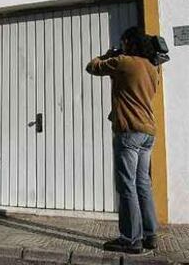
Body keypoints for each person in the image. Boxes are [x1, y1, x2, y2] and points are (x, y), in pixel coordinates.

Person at [86, 27, 159, 254]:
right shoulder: (152, 67)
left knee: (126, 185)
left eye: (123, 41)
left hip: (129, 132)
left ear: (129, 42)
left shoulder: (123, 62)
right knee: (143, 184)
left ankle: (130, 239)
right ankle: (150, 235)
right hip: (148, 132)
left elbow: (92, 67)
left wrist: (108, 56)